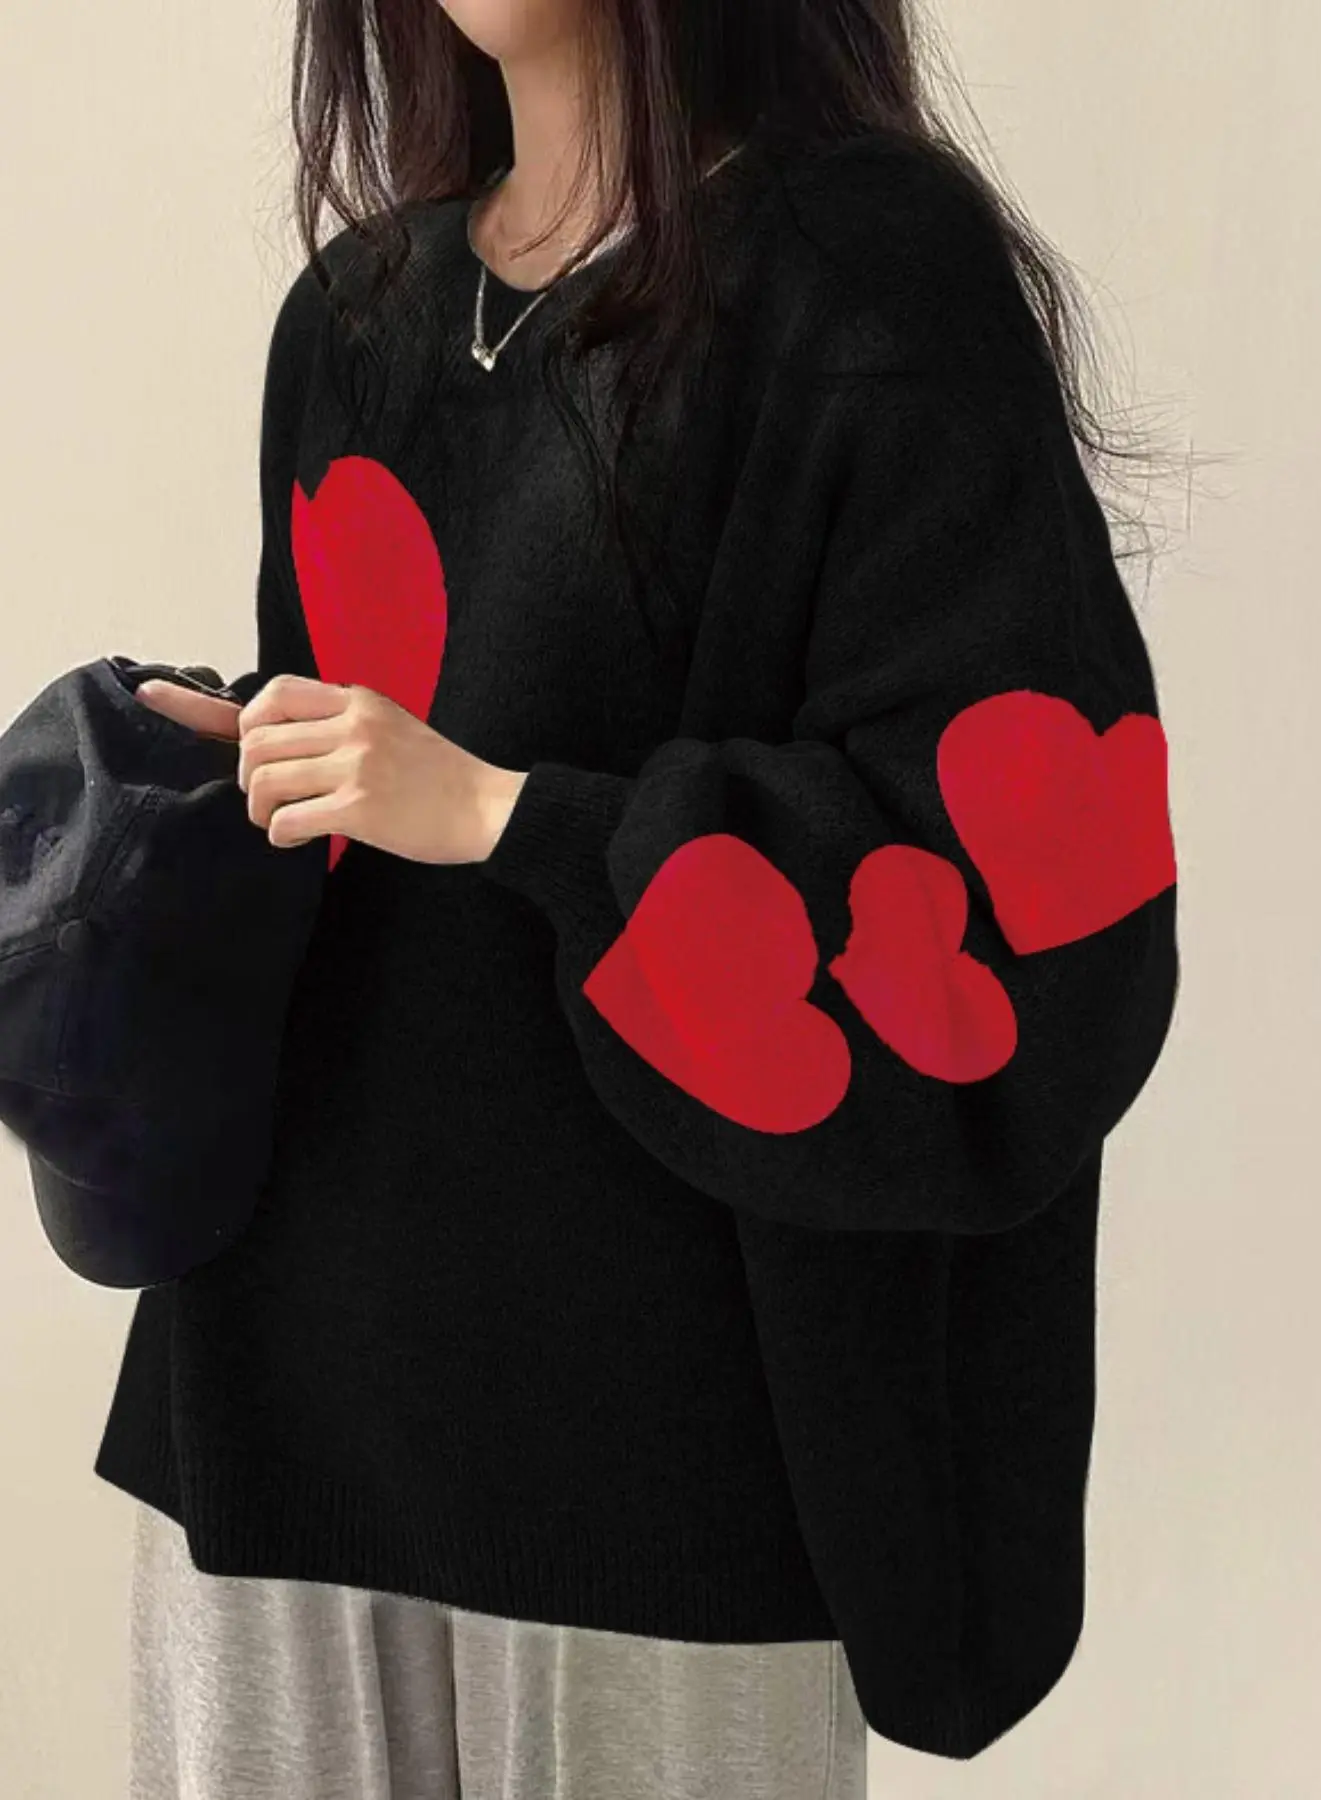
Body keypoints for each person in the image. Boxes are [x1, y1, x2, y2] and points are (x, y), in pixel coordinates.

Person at [100, 0, 1180, 1792]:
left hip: (658, 1467)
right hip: (266, 1402)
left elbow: (1035, 894)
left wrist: (520, 822)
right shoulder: (358, 316)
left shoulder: (863, 280)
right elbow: (353, 846)